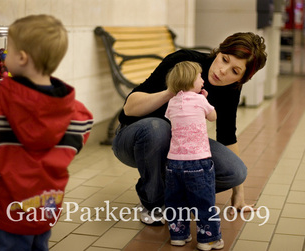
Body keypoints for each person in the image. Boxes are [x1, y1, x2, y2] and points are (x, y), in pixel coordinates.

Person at [0, 14, 93, 250]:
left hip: (7, 210)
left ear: (21, 58)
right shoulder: (76, 113)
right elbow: (82, 132)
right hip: (45, 207)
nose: (4, 55)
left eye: (8, 50)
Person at [112, 32, 267, 225]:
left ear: (241, 79)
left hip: (177, 148)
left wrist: (239, 192)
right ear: (218, 52)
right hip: (133, 138)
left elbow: (227, 136)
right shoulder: (184, 62)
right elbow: (129, 108)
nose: (223, 70)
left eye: (235, 71)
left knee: (235, 171)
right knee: (158, 127)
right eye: (224, 59)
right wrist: (172, 91)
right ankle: (153, 203)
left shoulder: (230, 89)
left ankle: (173, 194)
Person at [164, 61, 222, 250]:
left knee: (176, 200)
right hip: (198, 161)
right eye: (200, 77)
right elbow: (213, 117)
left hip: (173, 163)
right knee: (203, 201)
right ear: (190, 80)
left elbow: (171, 117)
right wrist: (205, 100)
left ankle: (178, 235)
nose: (203, 80)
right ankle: (208, 239)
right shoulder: (200, 100)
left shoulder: (172, 102)